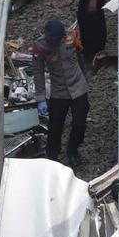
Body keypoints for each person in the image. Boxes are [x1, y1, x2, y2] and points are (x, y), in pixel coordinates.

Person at [33, 19, 89, 168]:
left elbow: (80, 56)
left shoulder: (71, 37)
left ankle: (72, 151)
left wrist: (85, 78)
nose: (54, 43)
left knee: (79, 124)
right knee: (55, 127)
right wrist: (40, 98)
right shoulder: (40, 46)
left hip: (78, 87)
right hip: (59, 91)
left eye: (57, 40)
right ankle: (52, 156)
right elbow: (38, 72)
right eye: (51, 40)